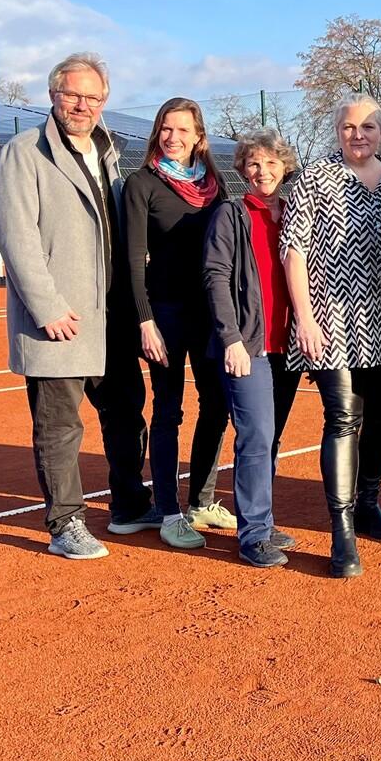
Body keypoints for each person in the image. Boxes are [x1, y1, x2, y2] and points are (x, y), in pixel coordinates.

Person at [0, 52, 156, 558]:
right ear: (53, 96)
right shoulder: (24, 152)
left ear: (104, 102)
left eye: (92, 97)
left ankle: (129, 502)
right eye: (72, 94)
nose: (82, 105)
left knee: (127, 413)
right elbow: (17, 237)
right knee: (60, 427)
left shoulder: (108, 152)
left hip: (110, 317)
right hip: (60, 319)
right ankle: (66, 524)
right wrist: (47, 309)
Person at [282, 95, 381, 578]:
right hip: (331, 318)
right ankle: (341, 531)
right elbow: (293, 250)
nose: (357, 134)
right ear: (336, 130)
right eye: (347, 126)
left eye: (368, 126)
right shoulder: (314, 179)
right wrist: (304, 316)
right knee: (343, 417)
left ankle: (368, 504)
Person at [123, 98, 230, 550]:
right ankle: (168, 511)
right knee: (168, 410)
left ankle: (202, 499)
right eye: (166, 128)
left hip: (209, 314)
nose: (173, 137)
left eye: (183, 130)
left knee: (218, 405)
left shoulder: (215, 184)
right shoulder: (141, 183)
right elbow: (131, 259)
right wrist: (145, 320)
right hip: (163, 313)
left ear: (198, 137)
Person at [202, 130, 303, 569]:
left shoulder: (296, 214)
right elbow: (215, 277)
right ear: (243, 169)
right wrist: (231, 339)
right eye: (253, 164)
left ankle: (262, 521)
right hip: (248, 346)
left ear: (284, 167)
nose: (262, 171)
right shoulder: (231, 214)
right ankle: (254, 535)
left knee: (271, 437)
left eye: (270, 163)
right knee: (256, 437)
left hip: (289, 346)